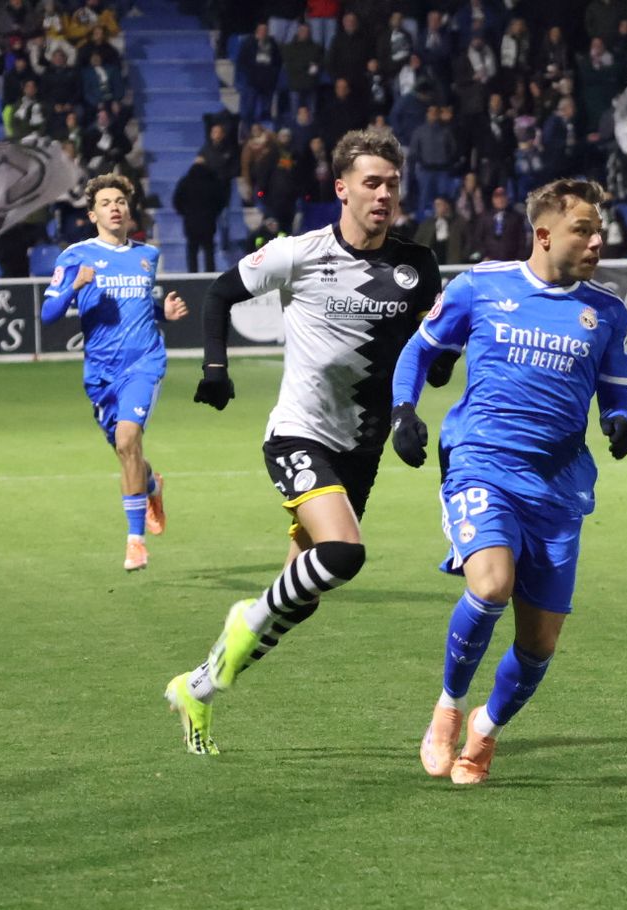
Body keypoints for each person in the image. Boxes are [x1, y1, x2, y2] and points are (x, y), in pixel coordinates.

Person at [160, 127, 447, 756]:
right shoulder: (300, 252)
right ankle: (241, 621)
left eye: (393, 185)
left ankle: (197, 688)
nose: (384, 195)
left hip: (362, 448)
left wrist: (409, 409)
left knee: (304, 594)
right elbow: (221, 293)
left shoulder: (416, 265)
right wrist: (215, 367)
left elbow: (434, 349)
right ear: (341, 188)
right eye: (371, 183)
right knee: (344, 554)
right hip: (299, 434)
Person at [389, 177, 627, 785]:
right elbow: (419, 351)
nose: (597, 240)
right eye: (584, 229)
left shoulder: (608, 313)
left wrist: (619, 418)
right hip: (483, 464)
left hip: (559, 484)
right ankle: (447, 708)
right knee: (492, 584)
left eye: (599, 229)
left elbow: (616, 386)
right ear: (545, 233)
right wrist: (403, 410)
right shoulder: (482, 286)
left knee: (541, 643)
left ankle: (486, 729)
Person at [40, 174, 188, 572]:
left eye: (120, 200)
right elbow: (48, 314)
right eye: (106, 202)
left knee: (128, 438)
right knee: (126, 452)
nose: (115, 207)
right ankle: (152, 485)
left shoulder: (147, 255)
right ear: (93, 214)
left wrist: (164, 314)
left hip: (144, 363)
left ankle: (135, 542)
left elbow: (140, 305)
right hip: (101, 373)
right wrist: (74, 286)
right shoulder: (75, 256)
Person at [172, 153, 224, 272]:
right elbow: (221, 201)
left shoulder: (185, 181)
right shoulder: (213, 181)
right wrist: (214, 213)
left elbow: (176, 201)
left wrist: (185, 213)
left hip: (191, 221)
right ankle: (210, 276)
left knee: (192, 250)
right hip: (208, 221)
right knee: (209, 250)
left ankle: (192, 275)